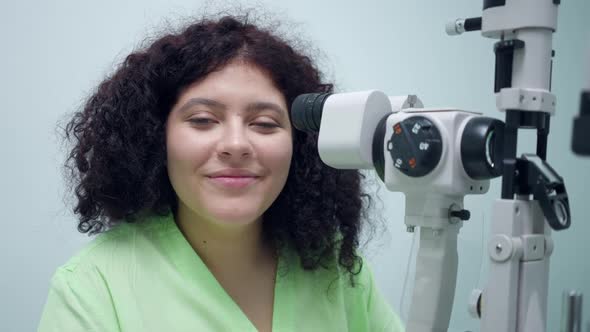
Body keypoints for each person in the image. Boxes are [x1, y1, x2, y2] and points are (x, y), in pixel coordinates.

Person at [38, 14, 404, 332]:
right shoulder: (92, 288)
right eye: (203, 120)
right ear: (154, 137)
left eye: (264, 123)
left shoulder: (337, 270)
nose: (236, 144)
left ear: (302, 143)